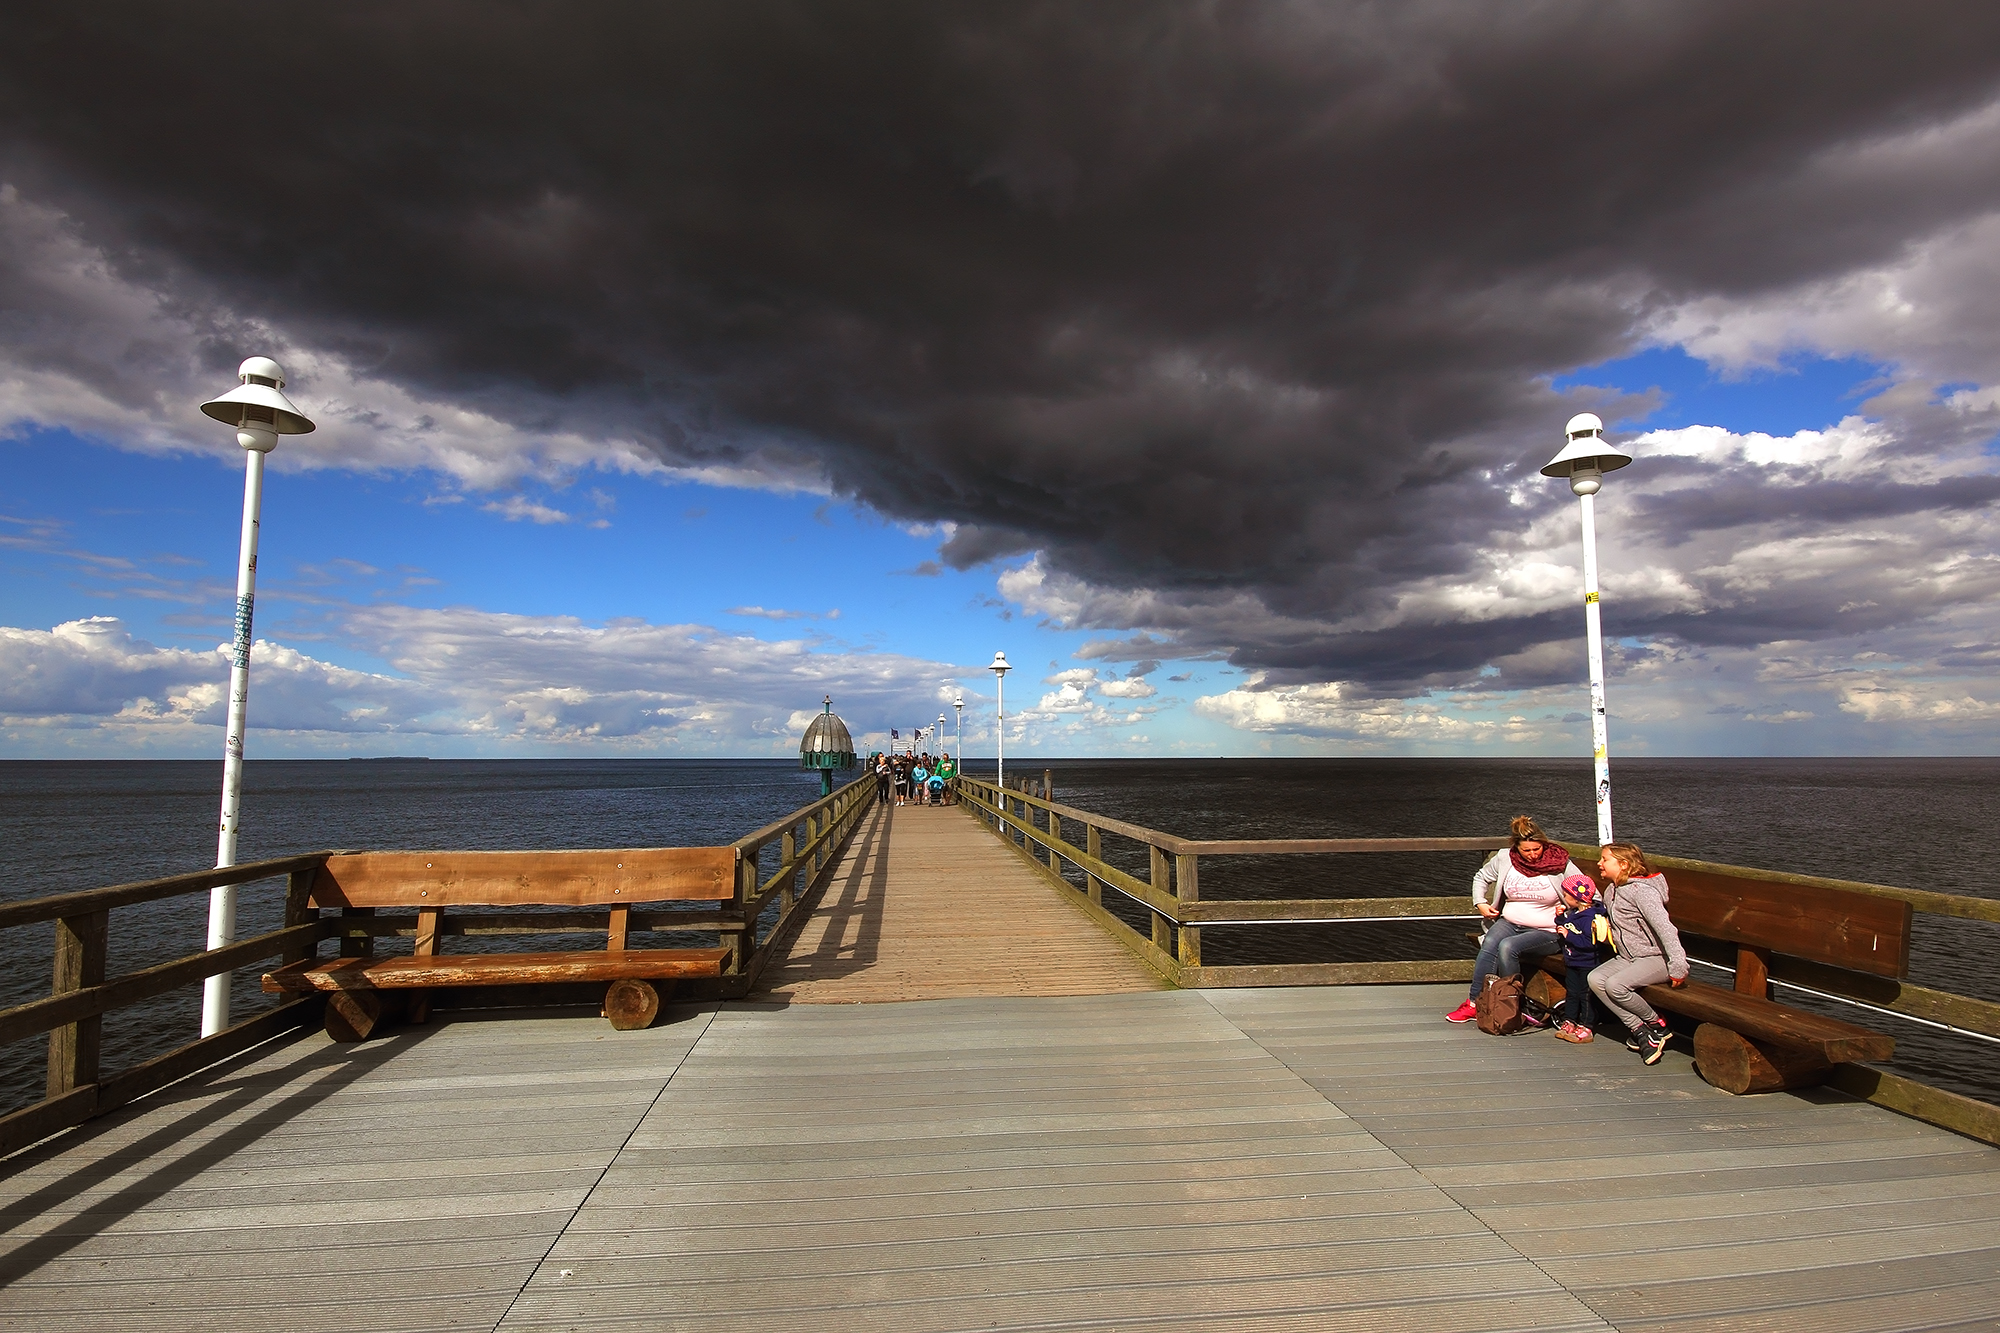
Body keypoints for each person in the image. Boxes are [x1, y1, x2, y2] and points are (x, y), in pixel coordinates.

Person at [1447, 816, 1575, 1024]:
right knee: (1490, 942)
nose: (1533, 854)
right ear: (1516, 847)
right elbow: (1481, 877)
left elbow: (1587, 891)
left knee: (1508, 947)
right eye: (1527, 850)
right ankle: (1475, 1003)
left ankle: (1511, 1005)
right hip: (1510, 923)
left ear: (1544, 844)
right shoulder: (1505, 857)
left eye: (1537, 849)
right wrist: (1480, 903)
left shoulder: (1559, 862)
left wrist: (1569, 909)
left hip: (1548, 930)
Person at [1587, 841, 1688, 1064]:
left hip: (1656, 958)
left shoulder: (1642, 892)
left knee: (1616, 985)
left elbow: (1666, 929)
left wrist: (1678, 965)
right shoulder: (1612, 890)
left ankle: (1657, 1024)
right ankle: (1640, 1030)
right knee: (1595, 979)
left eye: (1605, 859)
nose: (1599, 863)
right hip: (1628, 957)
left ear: (1623, 864)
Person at [1551, 872, 1611, 1043]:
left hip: (1587, 963)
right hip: (1572, 961)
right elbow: (1567, 925)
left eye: (1566, 895)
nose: (1564, 898)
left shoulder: (1590, 918)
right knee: (1572, 992)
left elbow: (1590, 943)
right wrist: (1559, 917)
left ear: (1577, 898)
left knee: (1586, 995)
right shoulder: (1575, 913)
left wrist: (1568, 936)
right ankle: (1570, 1020)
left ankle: (1586, 1025)